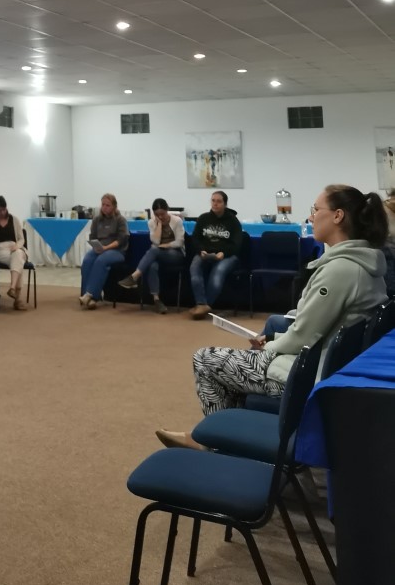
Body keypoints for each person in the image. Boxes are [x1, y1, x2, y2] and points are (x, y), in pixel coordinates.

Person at [157, 184, 389, 449]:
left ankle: (215, 444)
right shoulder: (362, 263)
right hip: (321, 365)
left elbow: (305, 335)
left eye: (316, 209)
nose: (311, 216)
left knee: (205, 359)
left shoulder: (342, 270)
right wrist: (274, 339)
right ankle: (227, 438)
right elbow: (315, 323)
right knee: (236, 360)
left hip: (306, 375)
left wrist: (269, 347)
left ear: (337, 216)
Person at [118, 199, 185, 314]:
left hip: (175, 254)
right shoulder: (151, 222)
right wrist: (159, 225)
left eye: (162, 214)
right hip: (158, 254)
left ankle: (135, 276)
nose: (160, 217)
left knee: (154, 250)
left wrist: (166, 245)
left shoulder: (177, 221)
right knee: (152, 264)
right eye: (157, 214)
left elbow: (179, 242)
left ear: (167, 210)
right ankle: (156, 299)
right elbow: (155, 241)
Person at [188, 190, 243, 318]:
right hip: (205, 253)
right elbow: (195, 239)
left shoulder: (233, 221)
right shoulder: (203, 218)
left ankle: (205, 306)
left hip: (227, 255)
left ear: (225, 204)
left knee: (218, 272)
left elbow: (237, 244)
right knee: (194, 268)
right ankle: (201, 304)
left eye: (219, 201)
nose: (215, 204)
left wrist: (223, 253)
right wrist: (201, 250)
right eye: (213, 201)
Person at [78, 193, 129, 309]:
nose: (105, 207)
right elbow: (93, 237)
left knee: (101, 261)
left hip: (117, 251)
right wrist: (96, 246)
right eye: (103, 205)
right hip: (100, 248)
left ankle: (91, 295)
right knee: (87, 260)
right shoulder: (97, 220)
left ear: (114, 206)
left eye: (108, 205)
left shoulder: (120, 220)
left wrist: (106, 248)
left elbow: (121, 240)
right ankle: (85, 295)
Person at [0, 196, 28, 311]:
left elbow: (21, 239)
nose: (2, 212)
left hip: (15, 247)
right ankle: (17, 299)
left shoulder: (14, 219)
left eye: (4, 209)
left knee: (18, 256)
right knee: (18, 261)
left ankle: (12, 288)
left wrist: (17, 246)